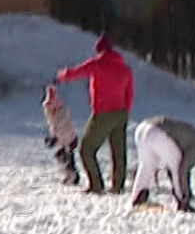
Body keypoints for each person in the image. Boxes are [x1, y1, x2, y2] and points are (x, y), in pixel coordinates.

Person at [56, 33, 136, 194]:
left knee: (86, 148)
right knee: (118, 151)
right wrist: (125, 110)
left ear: (99, 50)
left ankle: (96, 184)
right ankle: (117, 186)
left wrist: (62, 74)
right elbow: (130, 93)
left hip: (103, 113)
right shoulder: (125, 68)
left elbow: (75, 73)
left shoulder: (97, 64)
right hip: (121, 113)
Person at [129, 117, 195, 213]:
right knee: (176, 165)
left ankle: (138, 197)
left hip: (143, 128)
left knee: (147, 165)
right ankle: (182, 202)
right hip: (158, 132)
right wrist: (186, 194)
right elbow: (183, 169)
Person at [42, 84, 81, 185]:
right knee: (61, 156)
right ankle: (69, 175)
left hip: (69, 139)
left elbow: (59, 127)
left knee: (66, 156)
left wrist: (54, 138)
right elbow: (54, 127)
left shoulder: (62, 113)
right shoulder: (52, 115)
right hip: (63, 140)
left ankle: (72, 175)